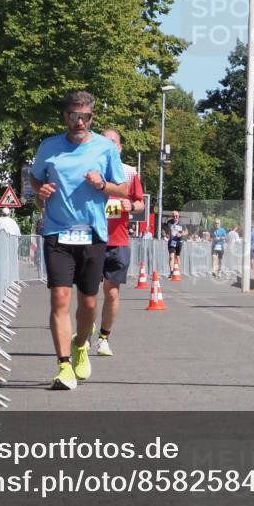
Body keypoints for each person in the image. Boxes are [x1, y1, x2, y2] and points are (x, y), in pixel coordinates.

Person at [30, 91, 127, 390]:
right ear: (65, 117)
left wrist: (103, 185)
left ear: (92, 118)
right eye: (74, 116)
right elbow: (35, 178)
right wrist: (40, 192)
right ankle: (63, 366)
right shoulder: (49, 147)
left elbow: (122, 189)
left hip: (93, 233)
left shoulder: (104, 148)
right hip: (57, 231)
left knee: (88, 303)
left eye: (85, 116)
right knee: (59, 298)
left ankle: (81, 345)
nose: (79, 121)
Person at [96, 129, 144, 357]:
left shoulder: (129, 173)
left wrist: (131, 207)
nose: (109, 145)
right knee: (87, 293)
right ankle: (84, 334)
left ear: (120, 147)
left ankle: (104, 338)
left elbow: (140, 204)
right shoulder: (91, 170)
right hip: (92, 239)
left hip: (118, 240)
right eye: (104, 141)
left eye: (113, 142)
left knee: (112, 292)